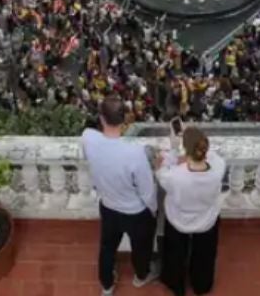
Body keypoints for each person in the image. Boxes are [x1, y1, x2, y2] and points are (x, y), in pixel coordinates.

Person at [81, 94, 159, 295]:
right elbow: (147, 191)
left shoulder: (88, 138)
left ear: (101, 118)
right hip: (135, 212)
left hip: (108, 206)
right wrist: (152, 211)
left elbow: (93, 137)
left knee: (107, 248)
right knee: (141, 248)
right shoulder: (135, 154)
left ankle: (106, 285)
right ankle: (141, 276)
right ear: (125, 120)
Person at [157, 127, 225, 296]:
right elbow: (214, 157)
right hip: (206, 221)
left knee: (175, 254)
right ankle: (202, 285)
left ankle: (176, 284)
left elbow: (160, 170)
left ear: (186, 150)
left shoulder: (175, 176)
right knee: (205, 256)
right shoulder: (218, 169)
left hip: (179, 220)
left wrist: (173, 150)